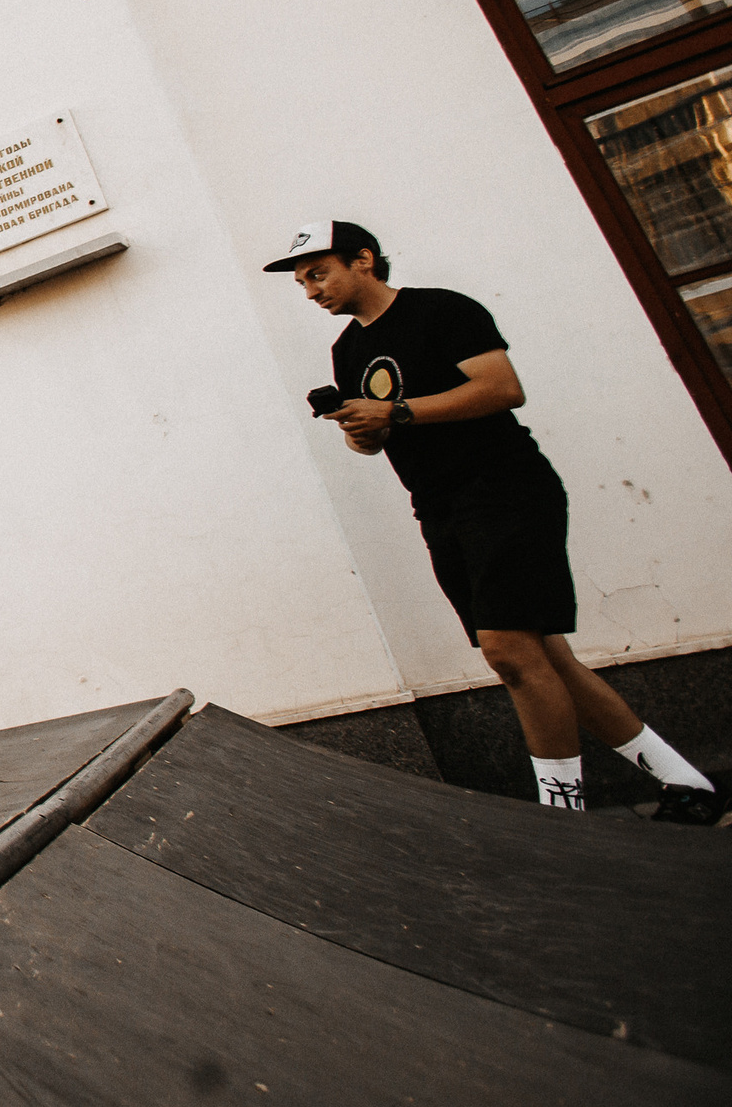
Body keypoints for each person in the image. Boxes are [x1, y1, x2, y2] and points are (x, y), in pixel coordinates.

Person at [271, 221, 725, 824]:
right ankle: (686, 785)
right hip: (438, 507)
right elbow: (378, 440)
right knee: (543, 658)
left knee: (509, 653)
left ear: (363, 261)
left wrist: (396, 410)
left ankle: (562, 821)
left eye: (318, 274)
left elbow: (502, 388)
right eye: (303, 282)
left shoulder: (443, 311)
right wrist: (365, 428)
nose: (310, 291)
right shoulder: (347, 350)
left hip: (505, 490)